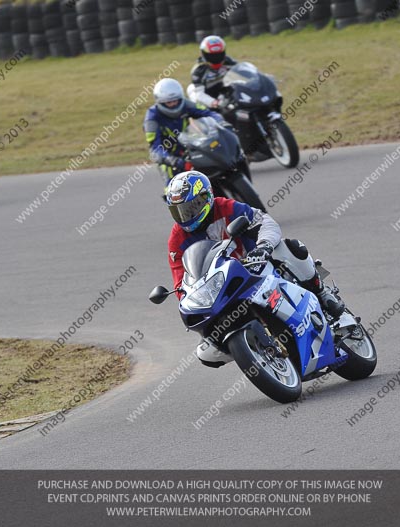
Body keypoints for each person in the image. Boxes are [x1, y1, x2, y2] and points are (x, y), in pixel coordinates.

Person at [165, 171, 346, 364]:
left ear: (206, 197)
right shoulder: (177, 239)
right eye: (180, 211)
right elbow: (180, 280)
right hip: (222, 289)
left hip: (255, 266)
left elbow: (265, 222)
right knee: (207, 352)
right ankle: (256, 352)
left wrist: (264, 246)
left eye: (191, 208)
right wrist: (188, 298)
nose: (186, 216)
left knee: (290, 247)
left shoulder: (227, 207)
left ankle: (321, 292)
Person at [144, 78, 230, 184]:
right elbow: (155, 150)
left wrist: (221, 123)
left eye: (175, 100)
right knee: (174, 191)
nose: (173, 104)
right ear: (160, 102)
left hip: (191, 147)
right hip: (170, 158)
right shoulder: (151, 118)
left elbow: (209, 113)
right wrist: (172, 160)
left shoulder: (186, 104)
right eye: (169, 102)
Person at [187, 35, 237, 109]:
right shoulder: (199, 70)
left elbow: (241, 73)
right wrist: (214, 103)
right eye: (212, 56)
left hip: (225, 93)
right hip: (208, 96)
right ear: (204, 54)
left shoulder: (229, 62)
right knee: (191, 89)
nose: (216, 58)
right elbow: (199, 94)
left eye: (219, 55)